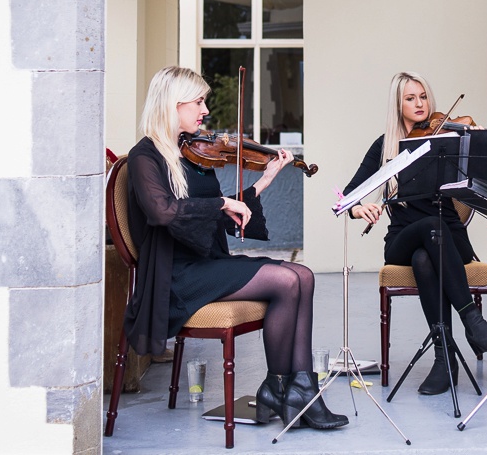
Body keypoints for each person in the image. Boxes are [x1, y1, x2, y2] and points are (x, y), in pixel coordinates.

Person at [122, 66, 347, 430]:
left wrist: (264, 180)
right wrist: (222, 204)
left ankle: (296, 387)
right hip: (176, 278)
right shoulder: (145, 156)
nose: (205, 110)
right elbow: (164, 212)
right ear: (172, 104)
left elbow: (220, 215)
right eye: (198, 101)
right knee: (288, 281)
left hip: (205, 264)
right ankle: (283, 389)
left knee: (303, 275)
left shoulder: (192, 155)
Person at [343, 71, 487, 396]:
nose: (419, 104)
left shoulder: (446, 139)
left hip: (450, 238)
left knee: (425, 257)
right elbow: (349, 194)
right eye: (410, 98)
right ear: (398, 104)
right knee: (424, 239)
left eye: (423, 96)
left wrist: (473, 142)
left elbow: (482, 181)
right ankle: (473, 323)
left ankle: (443, 357)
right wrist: (357, 208)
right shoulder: (386, 146)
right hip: (401, 240)